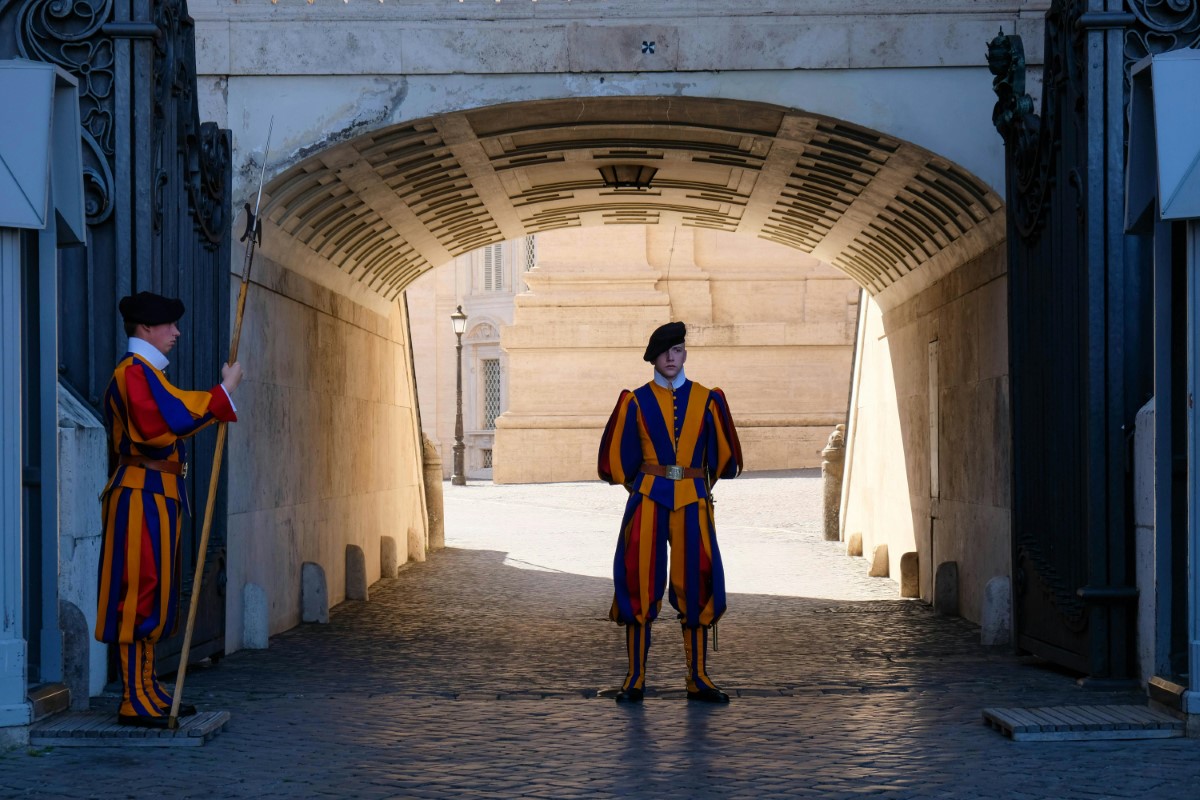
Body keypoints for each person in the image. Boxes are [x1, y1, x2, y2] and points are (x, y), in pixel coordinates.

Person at [94, 291, 243, 727]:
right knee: (138, 592)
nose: (176, 333)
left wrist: (218, 399)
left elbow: (178, 407)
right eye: (169, 325)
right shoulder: (133, 374)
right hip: (140, 493)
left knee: (154, 591)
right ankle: (132, 696)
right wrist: (223, 393)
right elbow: (166, 422)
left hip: (157, 493)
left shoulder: (149, 374)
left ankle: (145, 687)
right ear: (145, 329)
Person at [598, 321, 742, 703]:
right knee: (638, 580)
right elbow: (619, 459)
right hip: (648, 498)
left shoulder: (707, 399)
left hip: (692, 499)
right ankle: (635, 677)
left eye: (677, 351)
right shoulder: (636, 400)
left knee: (696, 581)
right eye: (664, 353)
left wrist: (699, 488)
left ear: (684, 354)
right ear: (653, 359)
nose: (671, 358)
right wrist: (642, 484)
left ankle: (698, 678)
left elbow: (725, 462)